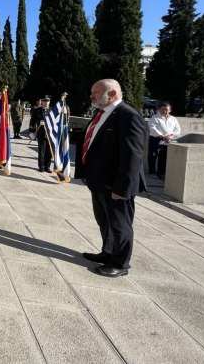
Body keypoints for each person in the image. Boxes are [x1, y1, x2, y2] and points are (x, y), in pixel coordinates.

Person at [75, 79, 146, 277]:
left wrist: (122, 189)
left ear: (112, 94)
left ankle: (121, 263)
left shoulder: (128, 117)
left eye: (95, 93)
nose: (91, 97)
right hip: (98, 181)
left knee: (120, 224)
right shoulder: (102, 114)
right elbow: (90, 144)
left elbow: (131, 157)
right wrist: (85, 173)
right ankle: (107, 252)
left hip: (115, 185)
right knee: (104, 221)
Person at [148, 102, 181, 179]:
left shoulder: (173, 119)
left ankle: (161, 173)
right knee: (153, 156)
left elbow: (177, 129)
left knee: (163, 157)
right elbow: (153, 129)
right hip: (156, 139)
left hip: (168, 140)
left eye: (166, 109)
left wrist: (172, 136)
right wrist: (163, 136)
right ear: (159, 109)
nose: (164, 111)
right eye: (162, 109)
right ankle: (152, 172)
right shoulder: (154, 118)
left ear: (170, 110)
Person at [29, 95, 53, 172]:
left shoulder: (52, 111)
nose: (46, 103)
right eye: (44, 101)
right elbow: (32, 121)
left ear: (49, 102)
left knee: (49, 151)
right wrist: (31, 132)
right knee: (41, 150)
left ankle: (47, 166)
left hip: (50, 134)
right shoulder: (37, 110)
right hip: (41, 133)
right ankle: (41, 166)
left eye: (47, 101)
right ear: (41, 102)